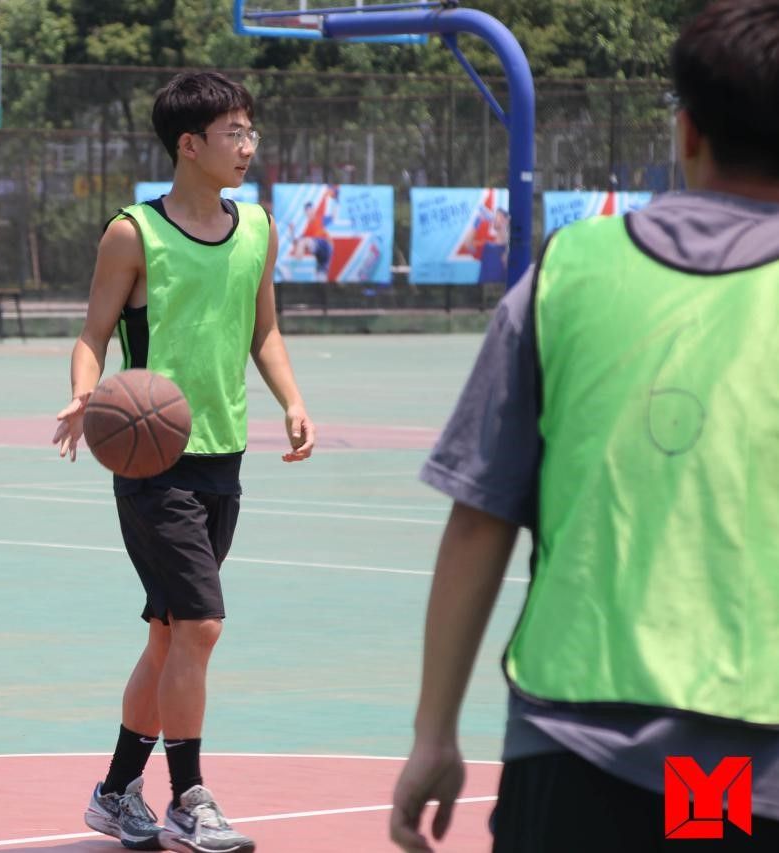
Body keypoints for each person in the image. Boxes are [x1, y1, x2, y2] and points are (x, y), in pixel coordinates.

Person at [389, 2, 779, 851]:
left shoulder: (569, 272)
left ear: (686, 130)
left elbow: (481, 515)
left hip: (576, 747)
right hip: (743, 762)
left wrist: (434, 732)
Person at [52, 70, 315, 853]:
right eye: (234, 132)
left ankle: (114, 791)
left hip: (222, 455)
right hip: (152, 459)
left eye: (251, 130)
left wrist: (292, 400)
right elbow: (94, 333)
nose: (248, 145)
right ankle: (188, 797)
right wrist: (84, 394)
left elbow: (264, 330)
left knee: (171, 634)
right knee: (200, 623)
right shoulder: (134, 233)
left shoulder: (257, 227)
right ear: (189, 144)